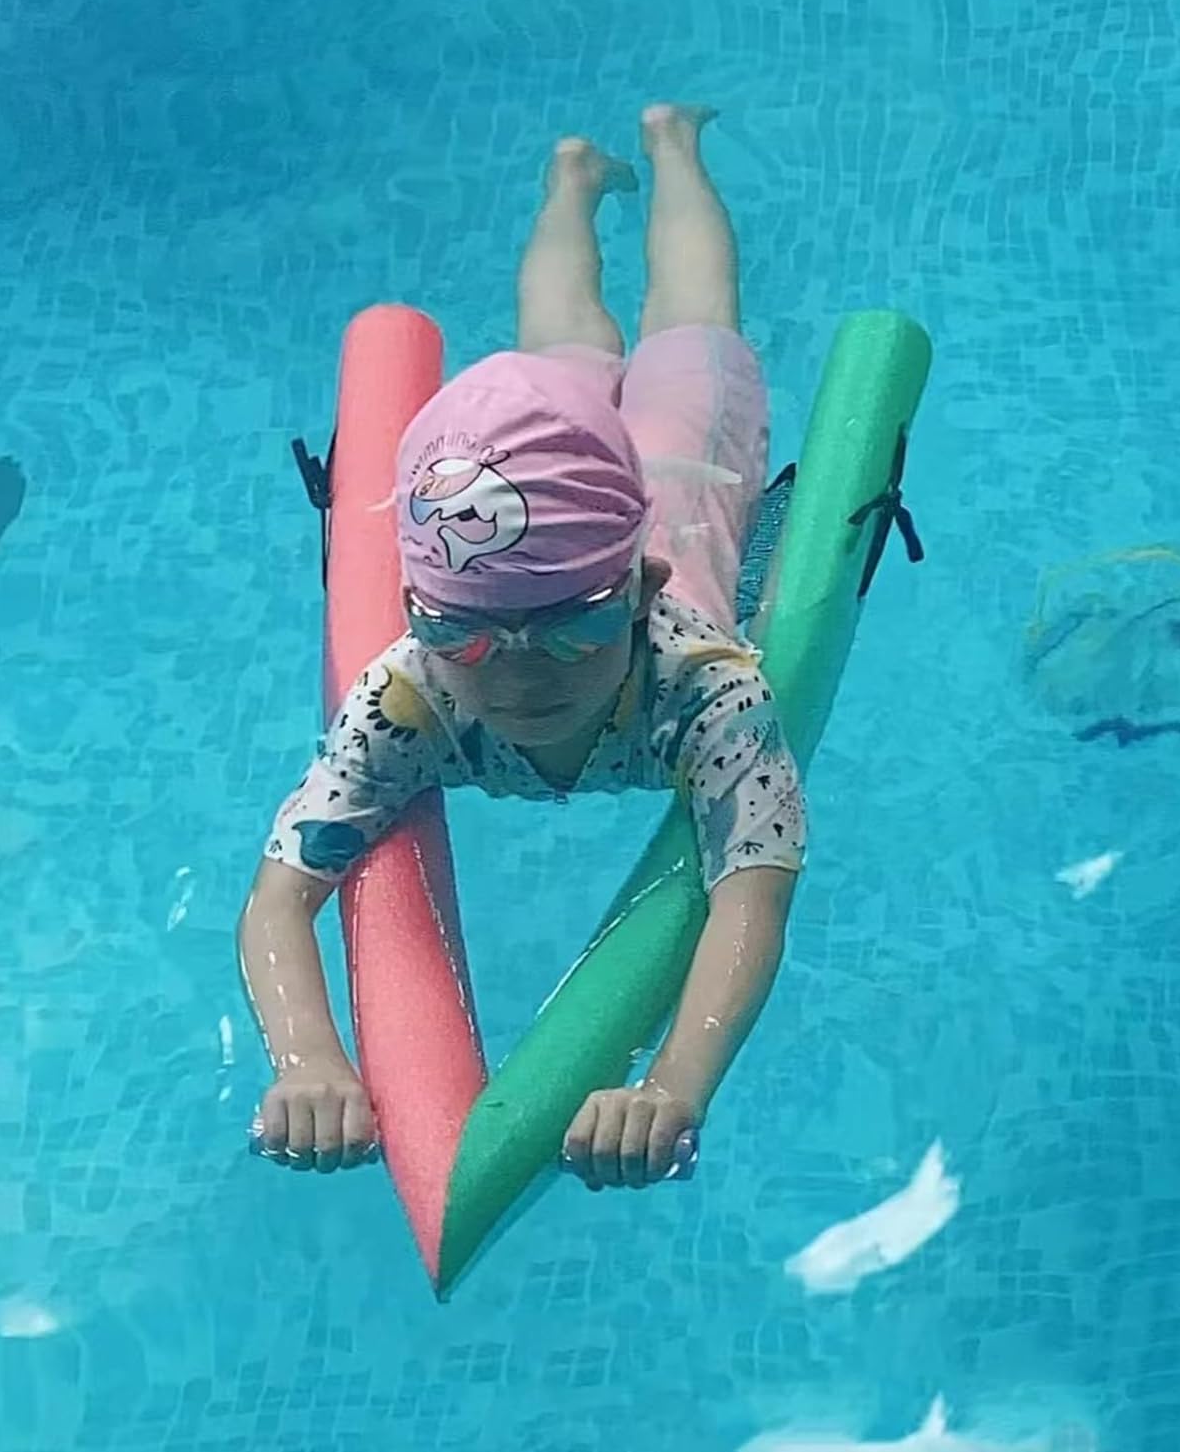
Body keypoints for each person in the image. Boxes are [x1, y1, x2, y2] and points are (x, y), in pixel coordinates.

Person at [238, 104, 804, 1192]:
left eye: (574, 625)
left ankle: (675, 144)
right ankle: (573, 180)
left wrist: (673, 1085)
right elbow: (277, 897)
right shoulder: (410, 695)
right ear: (421, 612)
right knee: (564, 341)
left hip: (683, 473)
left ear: (639, 593)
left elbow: (753, 896)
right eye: (463, 633)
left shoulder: (707, 690)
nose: (522, 671)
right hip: (513, 478)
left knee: (690, 321)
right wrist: (309, 1060)